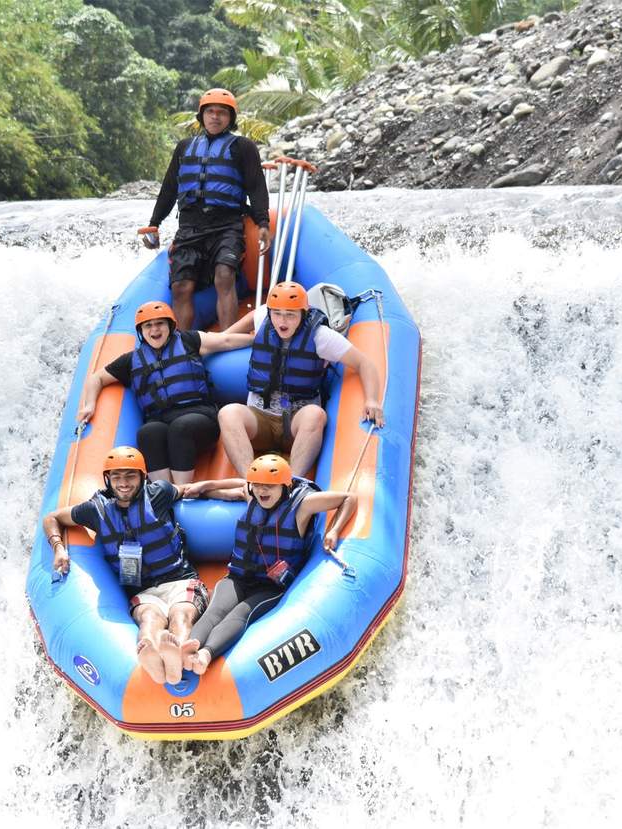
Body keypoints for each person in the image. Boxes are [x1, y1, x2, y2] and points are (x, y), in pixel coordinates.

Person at [179, 454, 357, 676]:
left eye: (270, 486)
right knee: (214, 611)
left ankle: (205, 655)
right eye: (259, 485)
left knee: (240, 613)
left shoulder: (302, 506)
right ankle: (189, 648)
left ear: (285, 486)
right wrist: (206, 486)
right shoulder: (254, 496)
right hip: (238, 577)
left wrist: (335, 530)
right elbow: (239, 485)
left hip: (269, 587)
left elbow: (348, 499)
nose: (263, 491)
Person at [43, 446, 205, 685]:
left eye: (130, 476)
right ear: (107, 480)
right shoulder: (96, 510)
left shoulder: (158, 493)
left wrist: (231, 491)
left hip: (180, 579)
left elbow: (187, 490)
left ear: (142, 476)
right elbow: (52, 518)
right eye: (116, 477)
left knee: (181, 614)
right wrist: (58, 548)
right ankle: (152, 653)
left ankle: (176, 652)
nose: (123, 483)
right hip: (143, 591)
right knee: (149, 618)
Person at [217, 281, 385, 478]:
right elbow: (233, 332)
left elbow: (364, 363)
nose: (282, 321)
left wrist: (372, 400)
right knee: (228, 413)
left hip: (296, 422)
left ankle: (291, 483)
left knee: (315, 414)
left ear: (303, 314)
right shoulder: (263, 315)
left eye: (290, 315)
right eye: (277, 313)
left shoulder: (321, 337)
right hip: (259, 419)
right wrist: (222, 336)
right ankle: (250, 480)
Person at [77, 300, 253, 484]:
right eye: (148, 326)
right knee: (147, 432)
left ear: (170, 325)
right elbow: (96, 378)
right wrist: (90, 404)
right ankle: (163, 491)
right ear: (141, 331)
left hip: (201, 417)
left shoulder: (189, 341)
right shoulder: (131, 360)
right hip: (160, 420)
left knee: (181, 428)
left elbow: (225, 341)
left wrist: (255, 340)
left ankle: (181, 491)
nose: (154, 330)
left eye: (160, 323)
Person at [141, 88, 270, 331]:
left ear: (230, 118)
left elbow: (256, 186)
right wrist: (154, 223)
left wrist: (262, 223)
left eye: (222, 113)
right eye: (210, 111)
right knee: (181, 287)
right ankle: (185, 347)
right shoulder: (184, 147)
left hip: (227, 226)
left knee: (224, 276)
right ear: (202, 116)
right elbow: (169, 188)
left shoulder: (243, 147)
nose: (215, 117)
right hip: (190, 227)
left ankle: (228, 341)